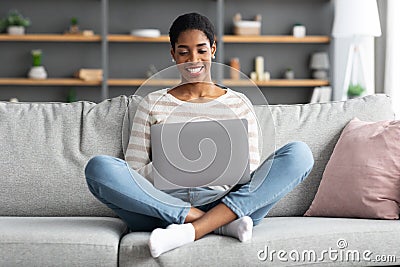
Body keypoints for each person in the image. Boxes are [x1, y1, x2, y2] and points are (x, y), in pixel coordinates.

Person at [85, 12, 314, 258]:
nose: (193, 60)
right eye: (183, 52)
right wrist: (170, 162)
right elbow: (133, 176)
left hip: (226, 201)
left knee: (299, 154)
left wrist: (218, 166)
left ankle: (193, 229)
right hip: (160, 207)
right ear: (173, 54)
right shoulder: (153, 103)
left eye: (201, 50)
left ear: (213, 49)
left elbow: (251, 173)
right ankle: (215, 224)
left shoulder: (239, 103)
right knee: (99, 168)